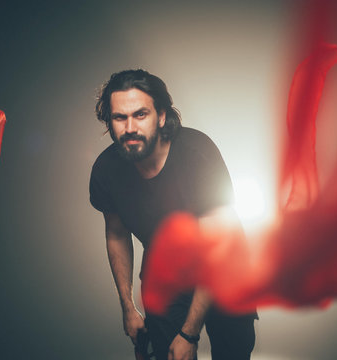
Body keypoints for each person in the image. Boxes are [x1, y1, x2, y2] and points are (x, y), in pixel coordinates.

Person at [89, 69, 257, 360]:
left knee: (232, 352)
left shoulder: (197, 154)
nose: (129, 127)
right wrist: (128, 308)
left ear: (162, 116)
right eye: (120, 117)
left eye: (140, 114)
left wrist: (189, 333)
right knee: (168, 355)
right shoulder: (106, 170)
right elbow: (116, 233)